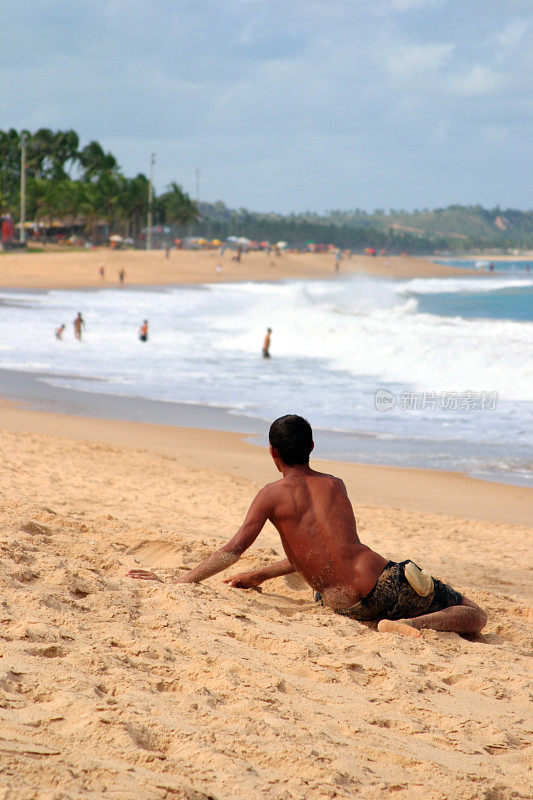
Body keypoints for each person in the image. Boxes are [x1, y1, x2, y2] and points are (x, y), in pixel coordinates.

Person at [128, 415, 487, 638]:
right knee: (474, 613)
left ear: (272, 452)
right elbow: (342, 549)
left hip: (347, 606)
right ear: (312, 446)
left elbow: (233, 551)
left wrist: (177, 582)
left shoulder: (271, 495)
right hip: (384, 585)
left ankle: (401, 623)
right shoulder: (334, 484)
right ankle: (413, 625)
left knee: (338, 586)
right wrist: (263, 575)